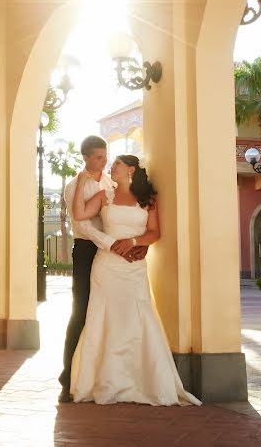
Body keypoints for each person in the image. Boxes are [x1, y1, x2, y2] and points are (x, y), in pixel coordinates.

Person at [68, 154, 200, 406]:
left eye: (117, 163)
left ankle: (143, 382)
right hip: (107, 267)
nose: (112, 166)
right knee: (104, 318)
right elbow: (79, 213)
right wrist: (81, 178)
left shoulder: (147, 199)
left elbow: (155, 232)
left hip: (134, 266)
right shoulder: (105, 195)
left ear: (130, 169)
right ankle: (103, 383)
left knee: (138, 316)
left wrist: (134, 242)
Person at [57, 136, 149, 403]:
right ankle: (68, 379)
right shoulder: (74, 185)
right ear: (85, 157)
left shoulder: (112, 182)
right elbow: (82, 224)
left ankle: (109, 375)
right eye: (98, 157)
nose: (104, 161)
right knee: (83, 312)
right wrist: (112, 244)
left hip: (114, 253)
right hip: (87, 251)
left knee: (112, 312)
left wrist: (137, 243)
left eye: (105, 155)